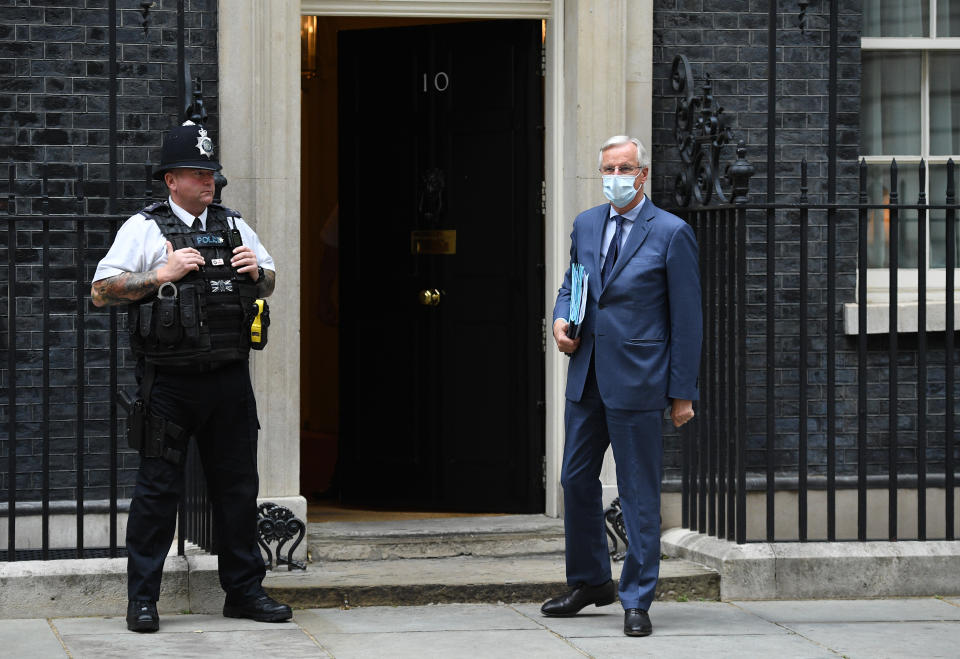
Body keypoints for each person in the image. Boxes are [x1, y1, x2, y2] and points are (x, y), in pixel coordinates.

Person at [90, 121, 291, 632]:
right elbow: (101, 291)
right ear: (171, 180)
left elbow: (268, 282)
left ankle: (244, 592)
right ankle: (143, 600)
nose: (209, 181)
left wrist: (256, 273)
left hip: (228, 377)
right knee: (158, 490)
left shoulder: (235, 226)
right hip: (170, 384)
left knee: (238, 488)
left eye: (212, 173)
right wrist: (161, 273)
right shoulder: (144, 228)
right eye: (198, 173)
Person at [543, 135, 702, 637]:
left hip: (639, 380)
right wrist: (561, 319)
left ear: (642, 174)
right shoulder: (587, 223)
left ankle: (637, 597)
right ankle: (591, 581)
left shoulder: (672, 233)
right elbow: (575, 282)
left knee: (636, 493)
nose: (615, 175)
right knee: (574, 480)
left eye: (625, 167)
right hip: (587, 374)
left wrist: (682, 392)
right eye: (608, 168)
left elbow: (688, 319)